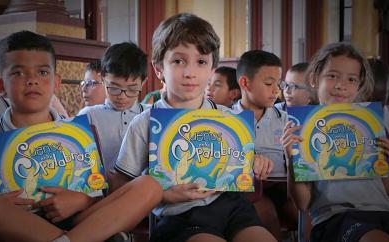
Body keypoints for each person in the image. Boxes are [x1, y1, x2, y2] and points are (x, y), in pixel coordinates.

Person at [0, 30, 162, 242]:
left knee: (149, 185)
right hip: (21, 227)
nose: (32, 80)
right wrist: (1, 204)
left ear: (56, 82)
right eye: (18, 73)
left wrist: (82, 201)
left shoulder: (78, 131)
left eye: (42, 73)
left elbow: (98, 192)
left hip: (79, 220)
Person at [112, 13, 277, 242]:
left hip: (233, 208)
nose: (190, 72)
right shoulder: (145, 123)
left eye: (201, 62)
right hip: (180, 216)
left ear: (212, 69)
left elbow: (239, 159)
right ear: (159, 68)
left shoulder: (230, 119)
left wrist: (256, 161)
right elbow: (120, 186)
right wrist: (164, 194)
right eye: (178, 61)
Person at [283, 42, 389, 242]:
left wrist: (386, 163)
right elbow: (303, 203)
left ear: (359, 86)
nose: (340, 85)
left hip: (386, 212)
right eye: (332, 75)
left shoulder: (372, 127)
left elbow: (386, 192)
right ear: (314, 78)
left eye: (351, 79)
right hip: (336, 218)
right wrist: (292, 158)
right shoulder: (301, 129)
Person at [232, 50, 292, 241]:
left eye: (278, 83)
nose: (276, 90)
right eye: (268, 83)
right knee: (265, 211)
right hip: (245, 191)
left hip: (284, 189)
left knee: (308, 211)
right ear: (245, 83)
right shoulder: (226, 120)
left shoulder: (287, 122)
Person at [78, 42, 149, 181]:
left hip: (143, 192)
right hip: (102, 189)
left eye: (132, 89)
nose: (122, 96)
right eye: (114, 87)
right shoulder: (88, 116)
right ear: (103, 79)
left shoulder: (150, 115)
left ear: (143, 83)